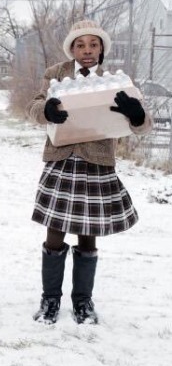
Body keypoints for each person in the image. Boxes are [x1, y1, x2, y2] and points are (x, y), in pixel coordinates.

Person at [26, 19, 153, 325]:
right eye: (80, 45)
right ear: (72, 48)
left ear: (101, 48)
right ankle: (50, 300)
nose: (87, 50)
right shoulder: (56, 74)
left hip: (97, 164)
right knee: (55, 231)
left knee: (88, 233)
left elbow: (144, 123)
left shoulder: (116, 80)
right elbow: (33, 106)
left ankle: (83, 301)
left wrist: (136, 115)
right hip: (62, 159)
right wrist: (45, 111)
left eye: (93, 44)